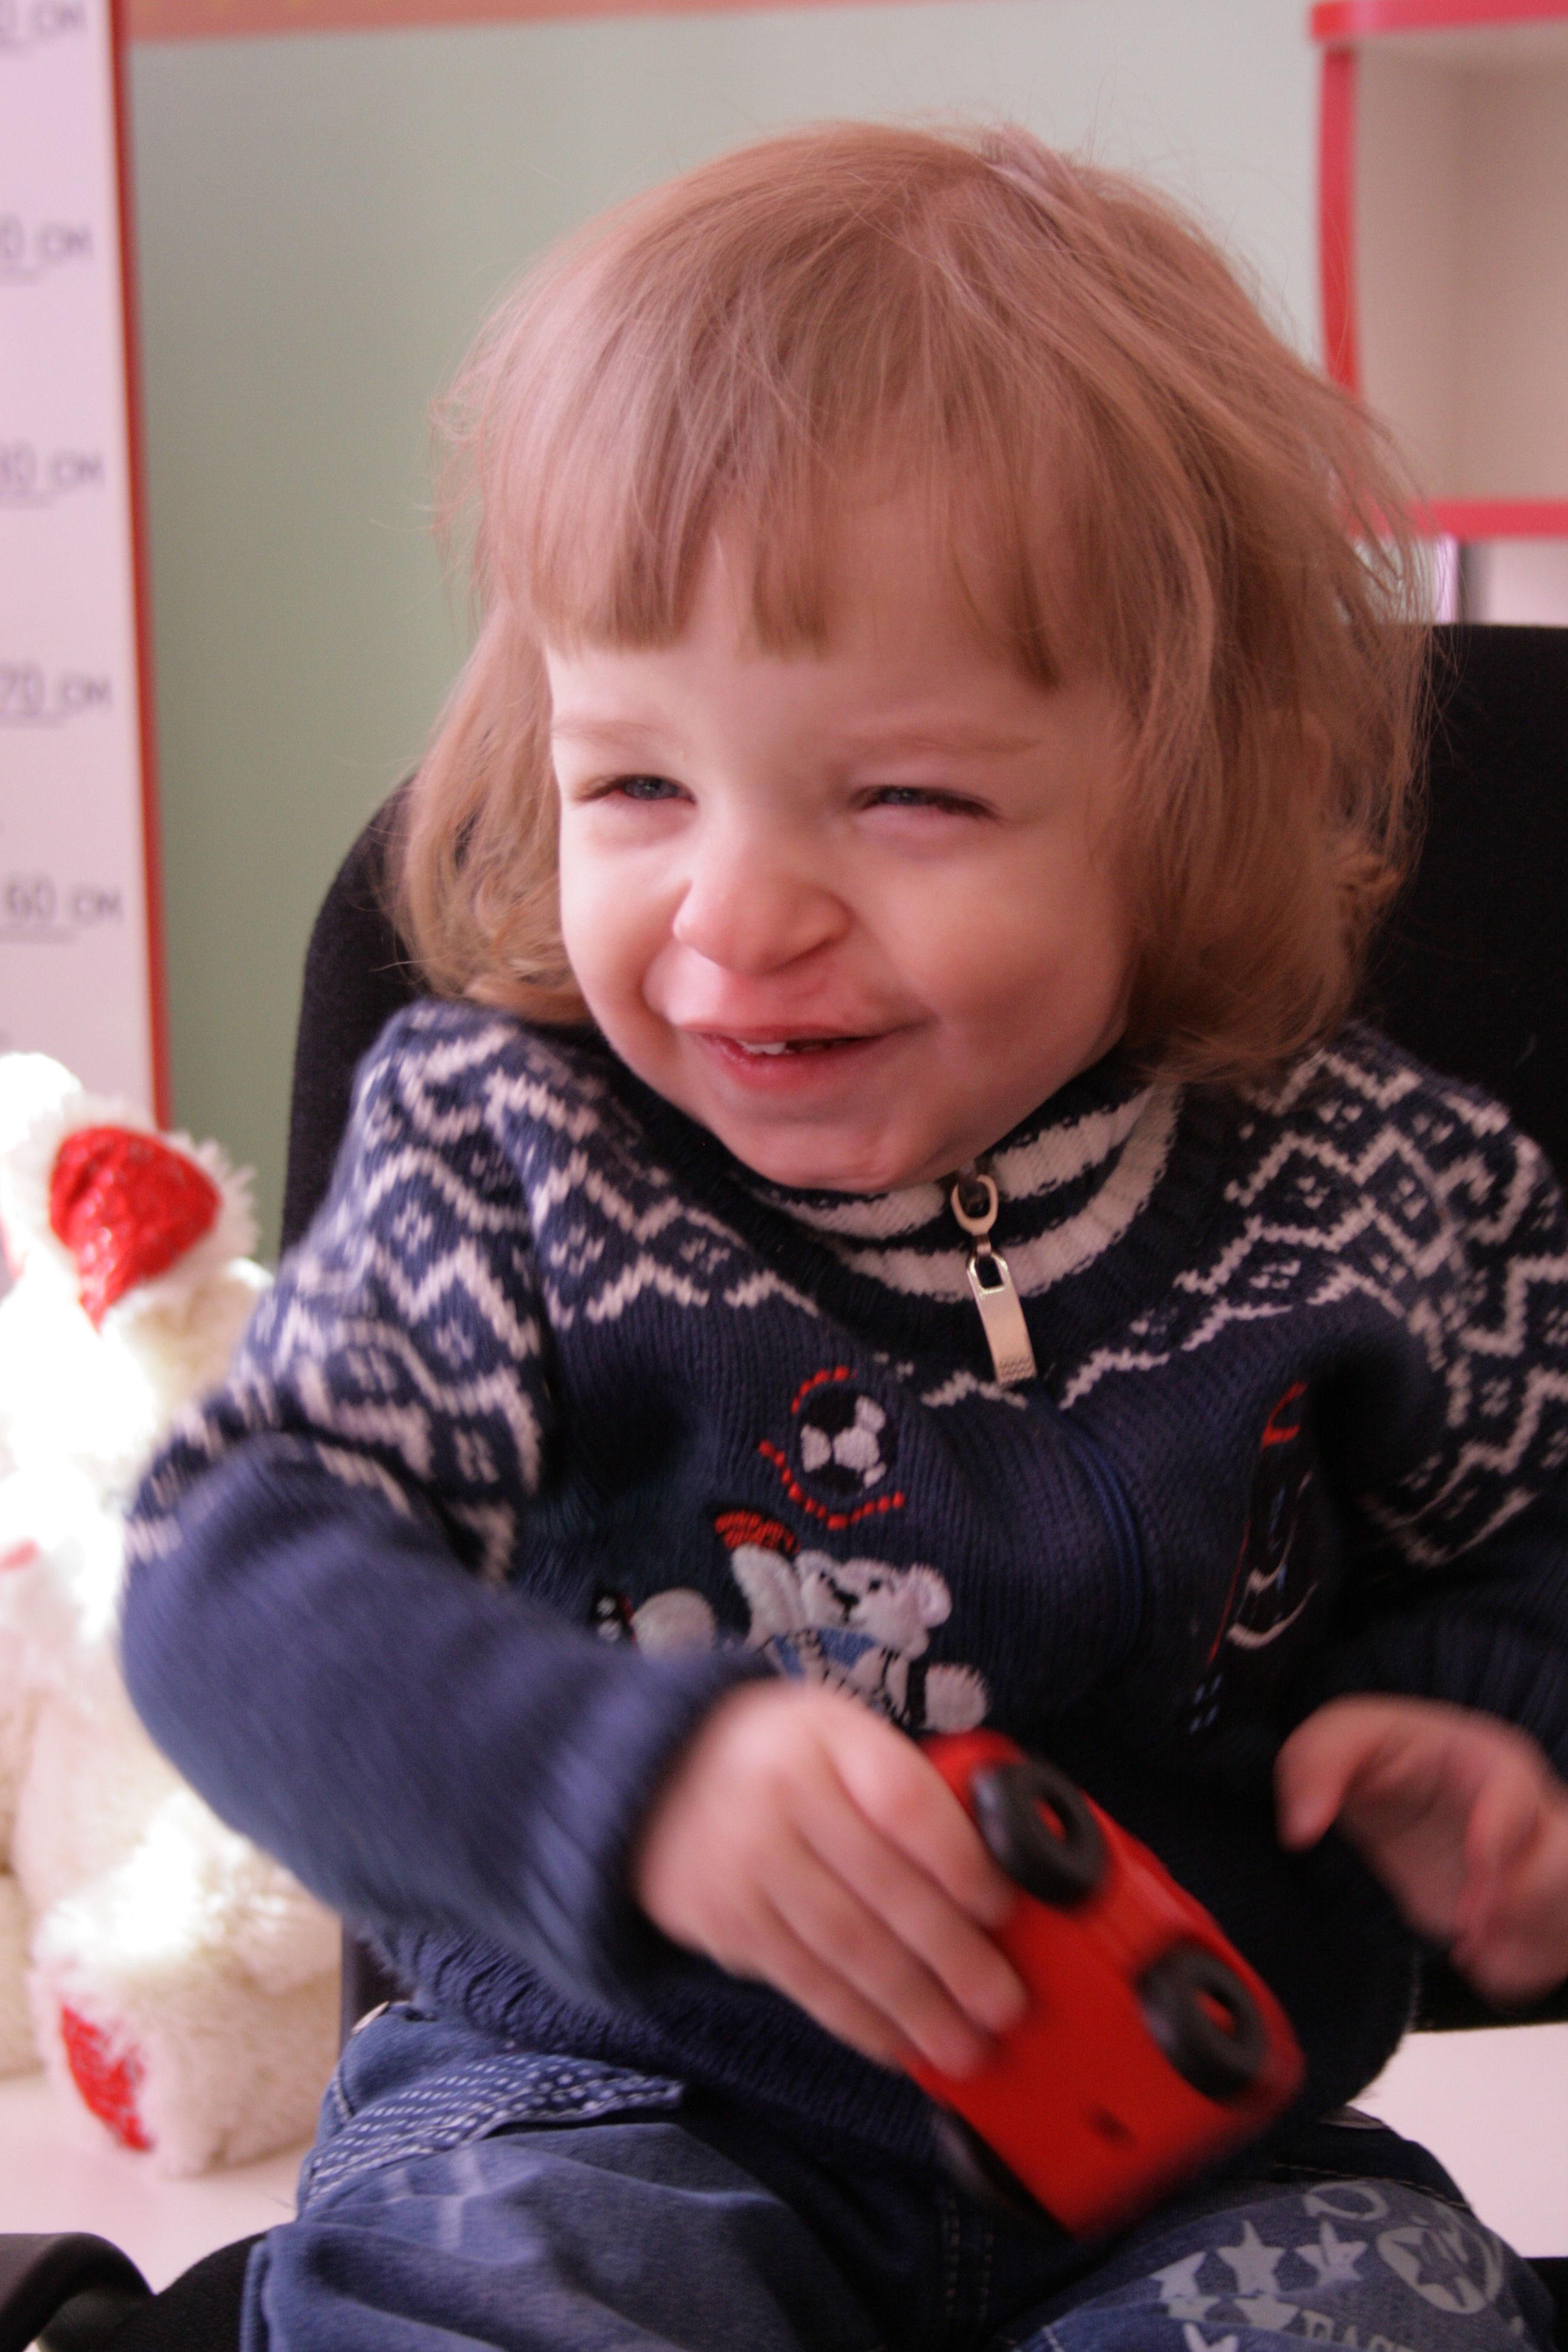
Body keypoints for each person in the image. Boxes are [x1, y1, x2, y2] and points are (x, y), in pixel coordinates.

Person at [123, 122, 1568, 2352]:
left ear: (1208, 799)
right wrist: (631, 1789)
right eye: (636, 781)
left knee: (1405, 2305)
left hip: (1182, 2163)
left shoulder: (1375, 1181)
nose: (736, 911)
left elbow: (1532, 1535)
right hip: (597, 2111)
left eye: (904, 796)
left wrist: (1492, 1719)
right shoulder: (509, 1158)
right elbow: (230, 1579)